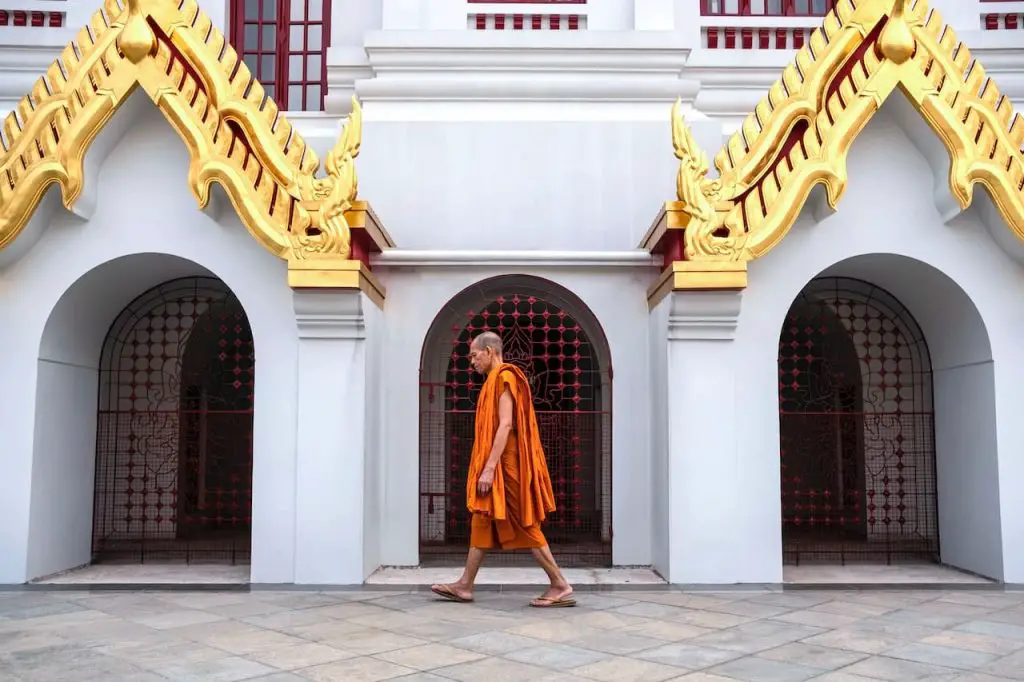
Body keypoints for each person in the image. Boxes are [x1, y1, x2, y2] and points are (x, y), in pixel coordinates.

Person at [431, 331, 575, 608]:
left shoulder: (506, 377)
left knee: (525, 522)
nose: (471, 361)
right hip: (497, 465)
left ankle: (559, 583)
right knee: (482, 519)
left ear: (489, 351)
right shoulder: (490, 383)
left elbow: (506, 424)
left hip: (507, 466)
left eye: (474, 355)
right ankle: (465, 585)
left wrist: (489, 468)